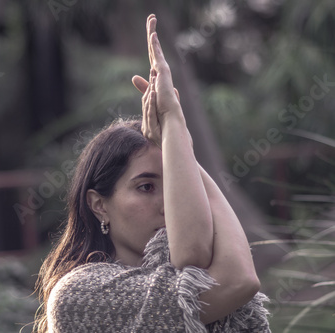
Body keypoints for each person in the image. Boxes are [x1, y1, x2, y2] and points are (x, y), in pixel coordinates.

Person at [33, 14, 270, 333]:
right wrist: (174, 127)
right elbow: (237, 278)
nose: (168, 203)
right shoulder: (81, 294)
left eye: (172, 185)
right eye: (146, 187)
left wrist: (179, 142)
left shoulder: (189, 272)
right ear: (99, 204)